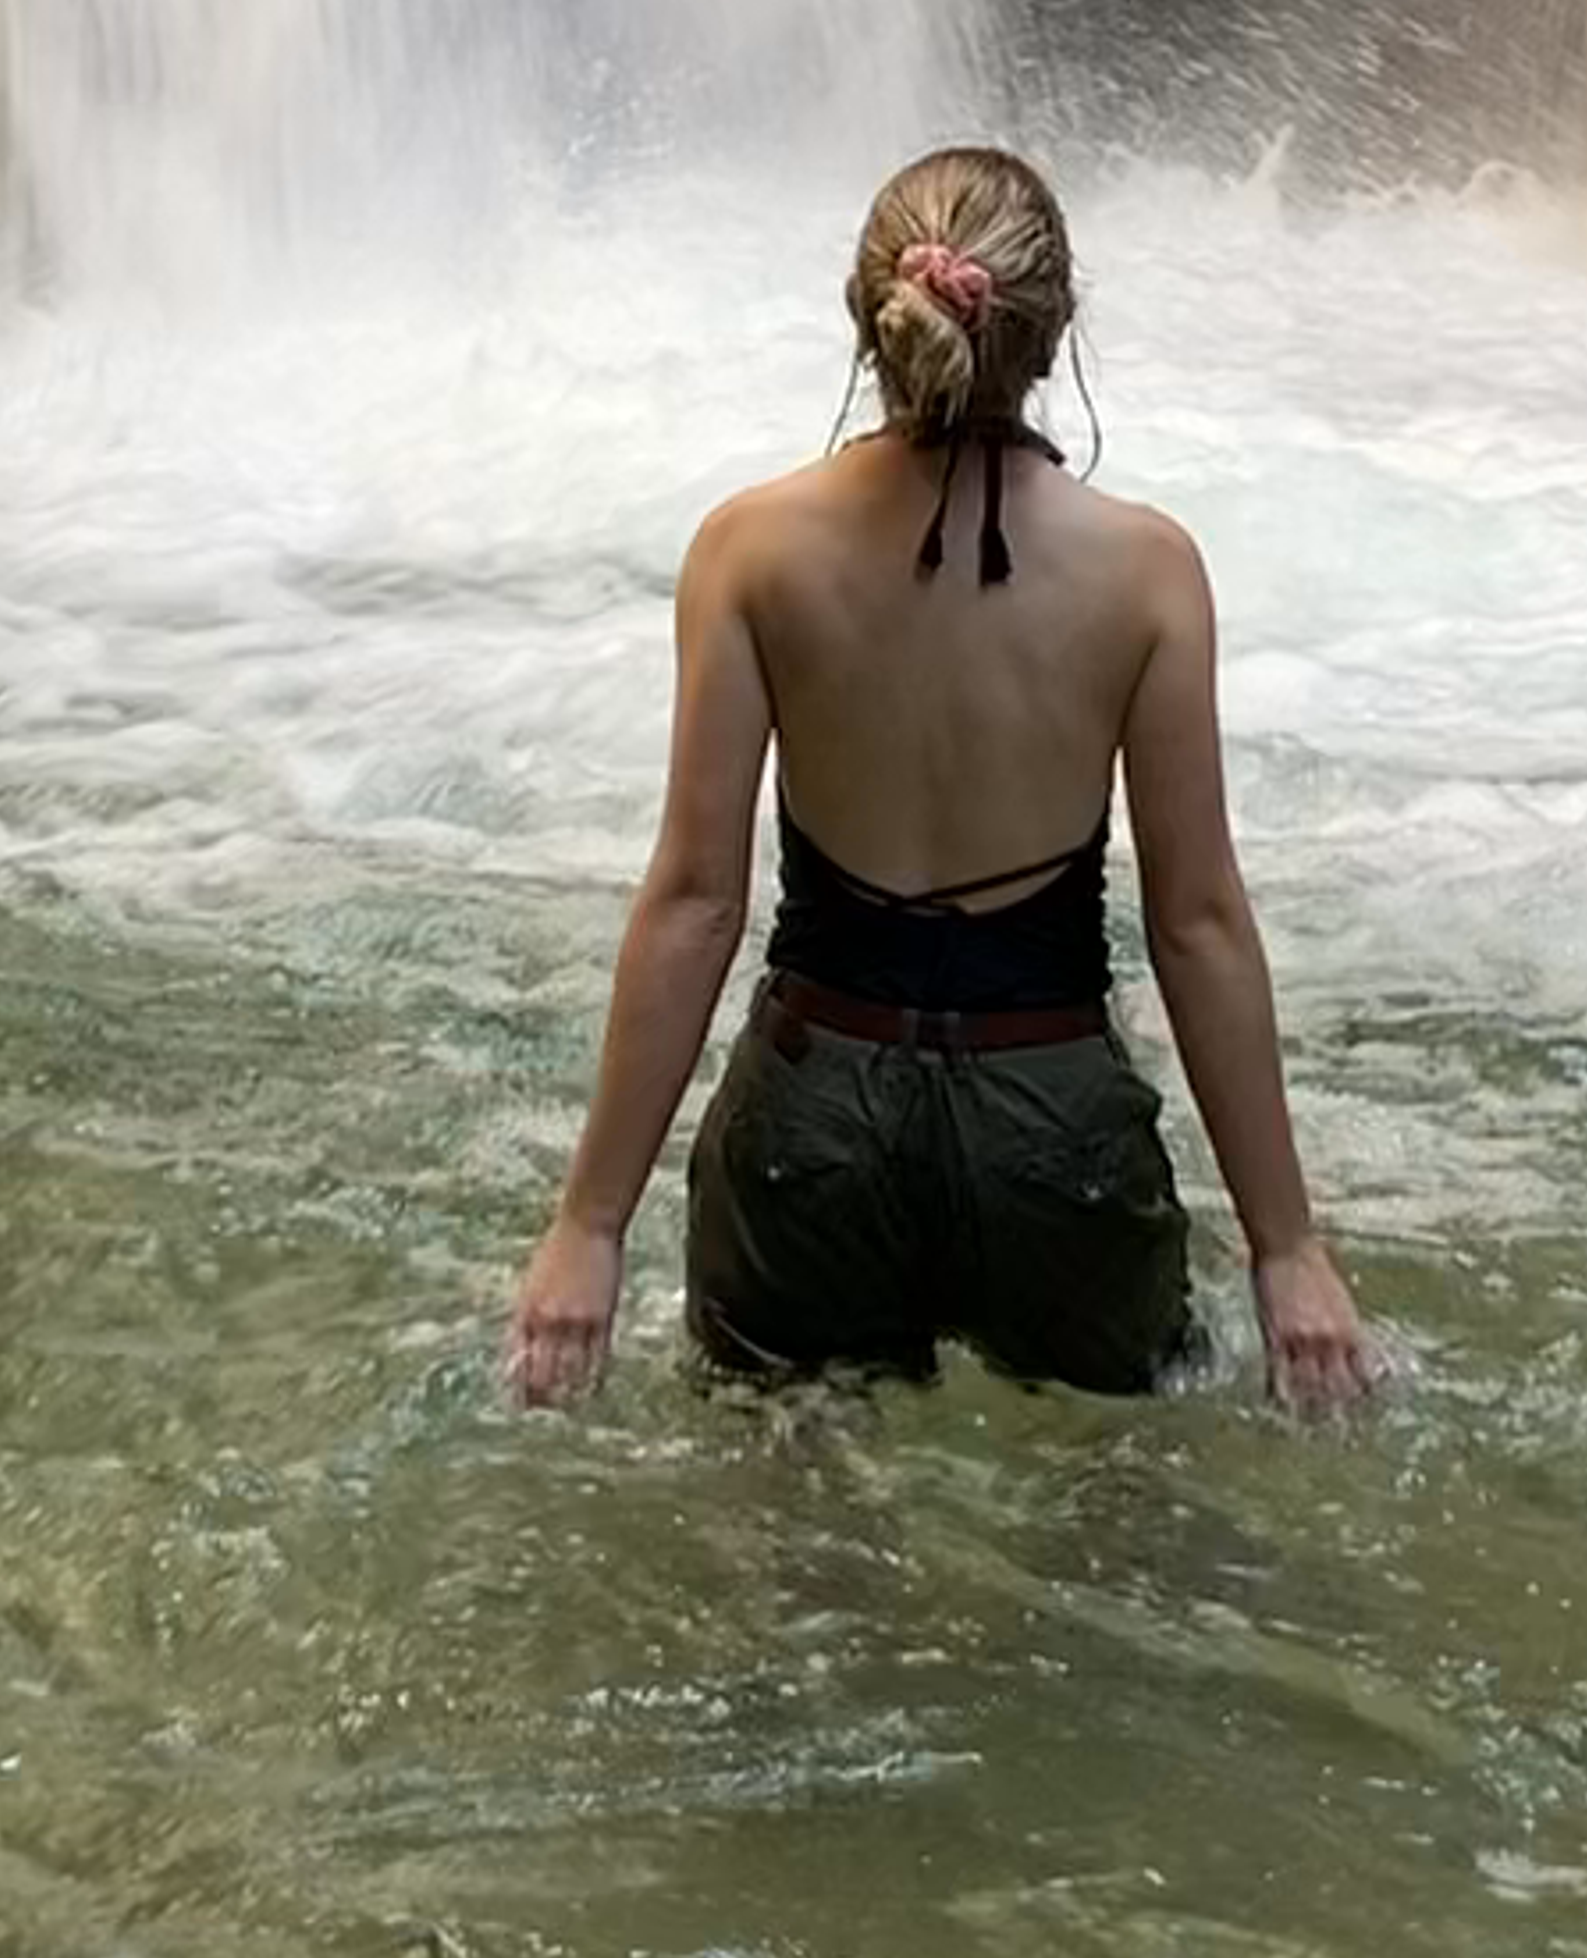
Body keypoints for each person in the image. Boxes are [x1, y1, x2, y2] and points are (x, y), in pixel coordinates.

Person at [506, 144, 1377, 1415]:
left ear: (868, 317)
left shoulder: (749, 550)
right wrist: (1286, 1248)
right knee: (1114, 1529)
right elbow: (1196, 922)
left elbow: (698, 900)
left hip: (812, 1129)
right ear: (1054, 329)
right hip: (1055, 1133)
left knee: (790, 1551)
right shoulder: (1147, 573)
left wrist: (590, 1223)